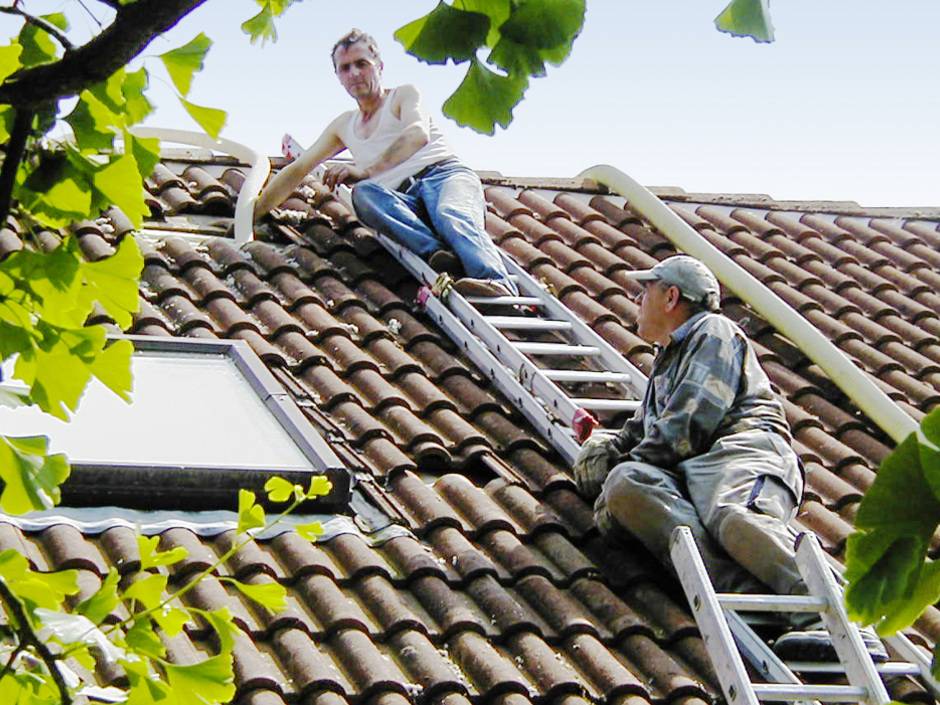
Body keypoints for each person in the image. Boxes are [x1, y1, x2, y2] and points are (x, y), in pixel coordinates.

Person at [573, 254, 885, 661]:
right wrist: (600, 454)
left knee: (733, 514)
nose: (636, 299)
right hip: (694, 471)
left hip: (744, 452)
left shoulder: (713, 332)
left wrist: (613, 464)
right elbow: (639, 436)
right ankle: (758, 601)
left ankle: (846, 622)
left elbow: (687, 427)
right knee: (628, 484)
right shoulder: (665, 367)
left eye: (644, 290)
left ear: (671, 297)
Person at [254, 29, 516, 299]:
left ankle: (496, 281)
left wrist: (366, 171)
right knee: (364, 194)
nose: (354, 73)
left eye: (362, 64)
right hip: (404, 202)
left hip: (443, 176)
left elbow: (417, 134)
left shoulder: (403, 95)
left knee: (451, 213)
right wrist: (253, 213)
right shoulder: (344, 125)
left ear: (379, 66)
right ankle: (441, 255)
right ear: (338, 77)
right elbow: (298, 169)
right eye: (345, 68)